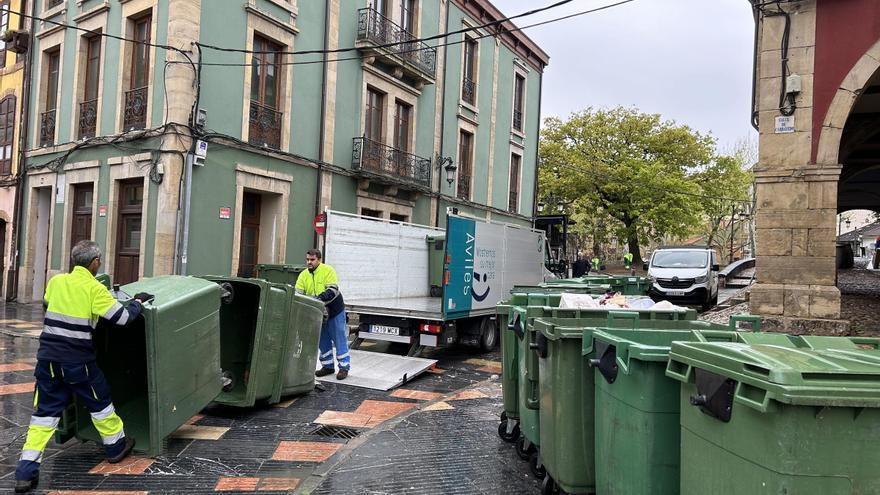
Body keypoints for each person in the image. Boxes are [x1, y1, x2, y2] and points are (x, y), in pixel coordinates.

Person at [15, 241, 152, 493]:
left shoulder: (56, 282)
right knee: (100, 401)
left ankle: (25, 472)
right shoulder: (93, 289)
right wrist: (137, 302)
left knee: (44, 415)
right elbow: (123, 319)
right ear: (95, 262)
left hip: (48, 361)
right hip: (78, 361)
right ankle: (115, 446)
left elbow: (48, 303)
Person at [295, 249, 349, 380]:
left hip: (334, 310)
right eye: (307, 259)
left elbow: (332, 290)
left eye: (312, 260)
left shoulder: (328, 270)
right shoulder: (303, 275)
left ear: (319, 259)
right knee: (322, 339)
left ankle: (344, 367)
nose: (309, 262)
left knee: (339, 337)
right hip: (317, 311)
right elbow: (298, 294)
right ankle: (328, 366)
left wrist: (317, 299)